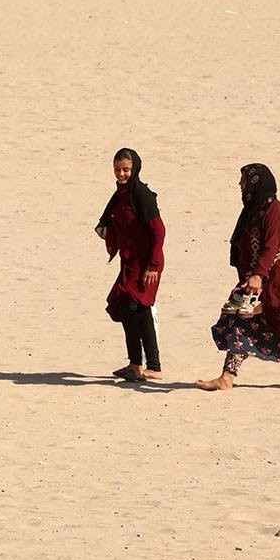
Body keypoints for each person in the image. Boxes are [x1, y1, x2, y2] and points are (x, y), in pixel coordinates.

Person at [198, 164, 280, 391]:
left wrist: (259, 275)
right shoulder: (252, 210)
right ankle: (227, 378)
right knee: (240, 322)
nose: (240, 185)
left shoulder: (274, 210)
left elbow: (272, 246)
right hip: (254, 281)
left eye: (243, 181)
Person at [94, 148, 165, 383]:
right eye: (117, 169)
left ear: (135, 169)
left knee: (135, 308)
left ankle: (145, 366)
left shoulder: (141, 195)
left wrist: (153, 265)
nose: (121, 174)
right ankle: (143, 366)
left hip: (146, 262)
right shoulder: (121, 194)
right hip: (131, 262)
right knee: (132, 309)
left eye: (125, 169)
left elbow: (158, 231)